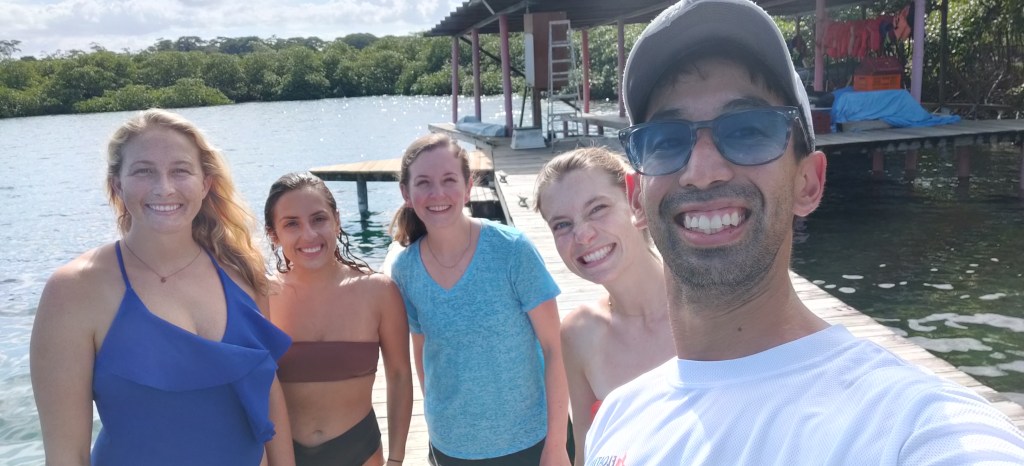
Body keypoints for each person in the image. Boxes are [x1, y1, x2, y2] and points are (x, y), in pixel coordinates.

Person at [586, 0, 1024, 464]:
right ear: (636, 197)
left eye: (749, 130)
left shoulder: (908, 424)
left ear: (809, 183)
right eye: (665, 140)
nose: (702, 171)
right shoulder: (617, 420)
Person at [30, 108, 293, 465]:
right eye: (143, 171)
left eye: (180, 170)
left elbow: (268, 395)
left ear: (205, 183)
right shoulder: (74, 291)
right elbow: (66, 456)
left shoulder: (242, 271)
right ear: (117, 184)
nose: (164, 187)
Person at [388, 133, 570, 465]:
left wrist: (556, 447)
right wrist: (440, 422)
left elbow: (554, 349)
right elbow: (422, 353)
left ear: (468, 186)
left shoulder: (512, 250)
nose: (438, 193)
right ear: (406, 193)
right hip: (452, 448)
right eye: (424, 183)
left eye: (449, 180)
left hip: (531, 440)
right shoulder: (405, 270)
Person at [533, 147, 673, 465]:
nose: (582, 234)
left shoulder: (716, 309)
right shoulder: (579, 333)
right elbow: (588, 451)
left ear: (637, 203)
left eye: (597, 209)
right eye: (562, 225)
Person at [264, 172, 413, 466]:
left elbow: (399, 375)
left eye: (318, 219)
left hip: (360, 450)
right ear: (273, 234)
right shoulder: (262, 295)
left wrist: (396, 459)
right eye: (292, 223)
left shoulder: (378, 291)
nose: (309, 234)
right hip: (283, 454)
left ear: (336, 220)